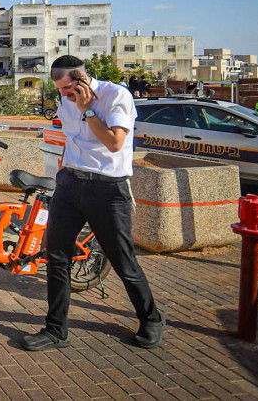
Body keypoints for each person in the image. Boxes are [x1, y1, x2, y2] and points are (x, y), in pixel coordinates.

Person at [21, 55, 165, 351]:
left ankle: (151, 319)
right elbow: (71, 140)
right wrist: (62, 174)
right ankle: (56, 330)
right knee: (57, 257)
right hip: (71, 184)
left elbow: (115, 143)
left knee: (123, 260)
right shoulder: (65, 101)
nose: (62, 94)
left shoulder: (116, 95)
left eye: (65, 88)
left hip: (108, 189)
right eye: (59, 89)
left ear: (82, 79)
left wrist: (87, 110)